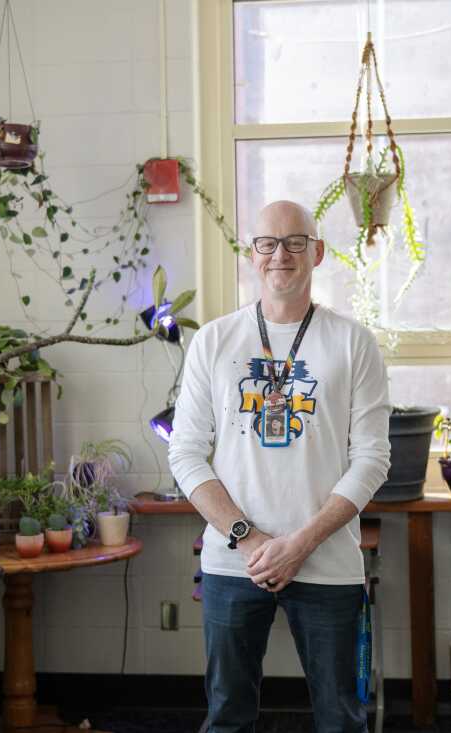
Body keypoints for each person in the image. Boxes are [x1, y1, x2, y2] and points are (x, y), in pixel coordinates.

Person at [168, 200, 391, 732]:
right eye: (268, 243)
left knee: (341, 717)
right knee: (227, 714)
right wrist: (248, 540)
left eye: (295, 242)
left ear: (316, 252)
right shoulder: (214, 342)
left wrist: (300, 544)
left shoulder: (353, 343)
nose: (280, 255)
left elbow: (373, 458)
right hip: (233, 562)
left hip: (327, 561)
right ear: (252, 255)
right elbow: (186, 452)